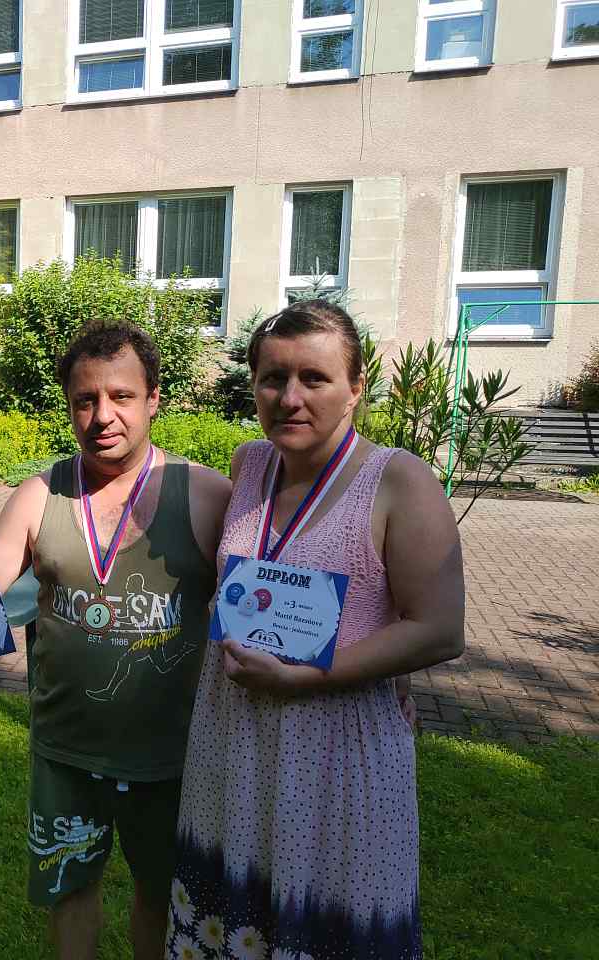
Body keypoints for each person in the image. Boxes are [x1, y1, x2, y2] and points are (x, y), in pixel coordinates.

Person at [0, 321, 233, 960]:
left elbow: (259, 602)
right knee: (71, 894)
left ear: (154, 399)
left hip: (172, 753)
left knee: (164, 898)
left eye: (121, 396)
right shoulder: (40, 494)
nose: (103, 416)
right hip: (66, 748)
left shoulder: (205, 495)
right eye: (85, 400)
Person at [163, 300, 465, 960]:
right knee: (231, 921)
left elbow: (440, 628)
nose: (289, 398)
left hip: (335, 747)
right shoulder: (249, 465)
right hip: (235, 736)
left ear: (355, 387)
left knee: (324, 922)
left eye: (314, 378)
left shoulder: (399, 481)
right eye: (273, 378)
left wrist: (311, 675)